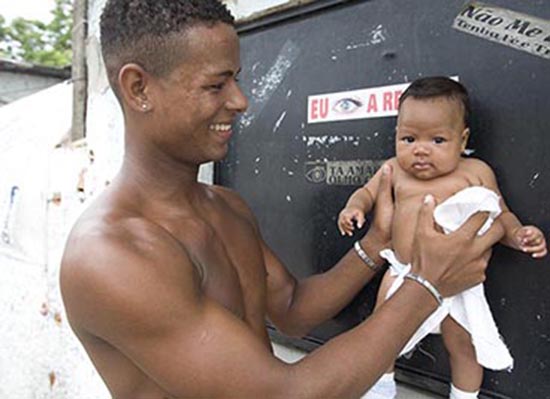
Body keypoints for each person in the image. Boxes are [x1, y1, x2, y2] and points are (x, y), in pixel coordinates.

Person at [60, 2, 503, 398]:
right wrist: (427, 286)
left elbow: (293, 311)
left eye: (237, 80)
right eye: (216, 86)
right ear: (139, 89)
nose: (241, 101)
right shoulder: (110, 256)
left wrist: (374, 243)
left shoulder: (226, 206)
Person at [338, 76, 547, 399]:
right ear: (396, 135)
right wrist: (354, 208)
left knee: (463, 344)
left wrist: (519, 234)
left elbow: (500, 214)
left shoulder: (475, 172)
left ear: (462, 140)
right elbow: (366, 193)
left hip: (456, 279)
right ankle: (379, 390)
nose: (420, 150)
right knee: (381, 335)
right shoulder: (394, 169)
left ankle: (464, 395)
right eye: (408, 139)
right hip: (402, 272)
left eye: (437, 140)